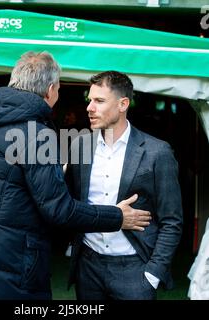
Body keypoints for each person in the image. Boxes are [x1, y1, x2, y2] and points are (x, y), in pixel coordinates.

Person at [0, 52, 151, 300]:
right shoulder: (35, 133)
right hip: (5, 270)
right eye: (59, 88)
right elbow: (59, 210)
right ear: (49, 90)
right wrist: (117, 216)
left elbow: (2, 184)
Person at [65, 71, 183, 300]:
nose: (90, 107)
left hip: (135, 270)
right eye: (90, 100)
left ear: (123, 104)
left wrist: (152, 274)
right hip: (88, 267)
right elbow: (71, 204)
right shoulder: (79, 146)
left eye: (99, 101)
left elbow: (172, 220)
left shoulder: (157, 152)